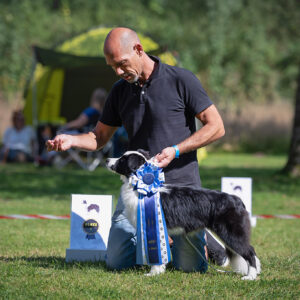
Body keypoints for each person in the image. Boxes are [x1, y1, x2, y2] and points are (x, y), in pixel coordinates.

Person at [46, 27, 226, 272]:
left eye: (122, 64)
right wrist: (71, 140)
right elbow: (99, 136)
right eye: (112, 67)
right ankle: (166, 241)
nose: (119, 72)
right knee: (117, 262)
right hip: (136, 190)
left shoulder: (181, 79)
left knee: (189, 269)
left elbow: (216, 126)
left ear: (139, 50)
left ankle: (204, 240)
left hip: (181, 187)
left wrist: (176, 150)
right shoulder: (119, 91)